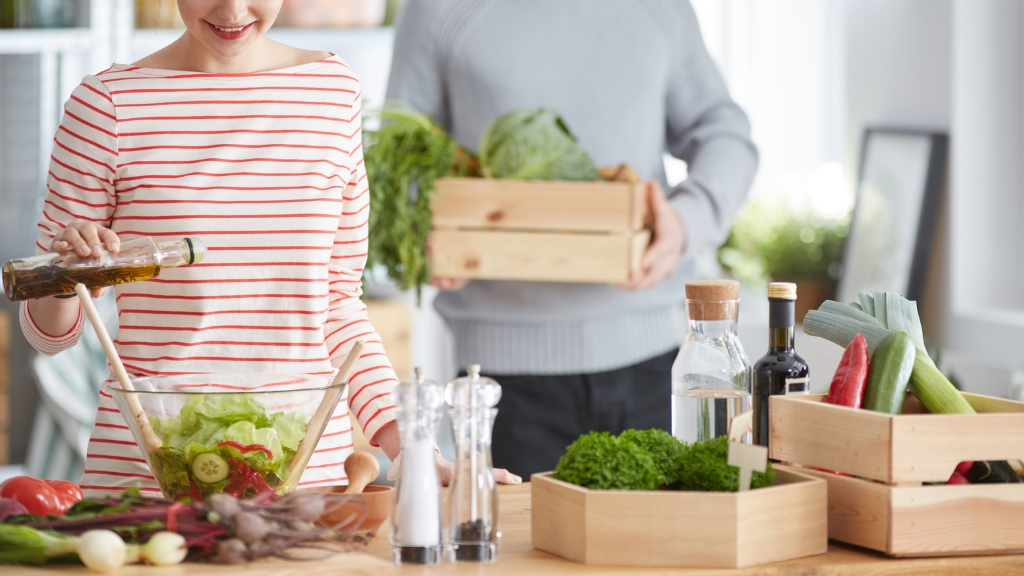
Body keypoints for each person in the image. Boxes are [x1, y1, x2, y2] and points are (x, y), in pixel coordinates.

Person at [19, 0, 518, 497]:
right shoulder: (106, 106)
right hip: (148, 478)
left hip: (303, 477)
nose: (233, 10)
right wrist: (67, 280)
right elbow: (48, 336)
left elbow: (338, 308)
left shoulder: (332, 92)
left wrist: (412, 449)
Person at [387, 0, 759, 477]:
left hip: (656, 367)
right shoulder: (438, 10)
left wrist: (688, 220)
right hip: (504, 388)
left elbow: (725, 135)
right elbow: (397, 161)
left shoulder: (662, 8)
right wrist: (427, 238)